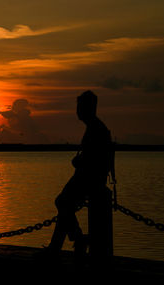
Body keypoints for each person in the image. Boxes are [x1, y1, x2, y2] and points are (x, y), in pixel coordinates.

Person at [42, 90, 113, 259]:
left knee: (62, 203)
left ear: (89, 108)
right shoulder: (96, 127)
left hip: (88, 179)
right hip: (87, 177)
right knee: (64, 207)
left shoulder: (96, 129)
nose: (78, 111)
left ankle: (76, 240)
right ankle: (58, 247)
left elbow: (95, 159)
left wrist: (78, 162)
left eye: (80, 107)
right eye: (78, 107)